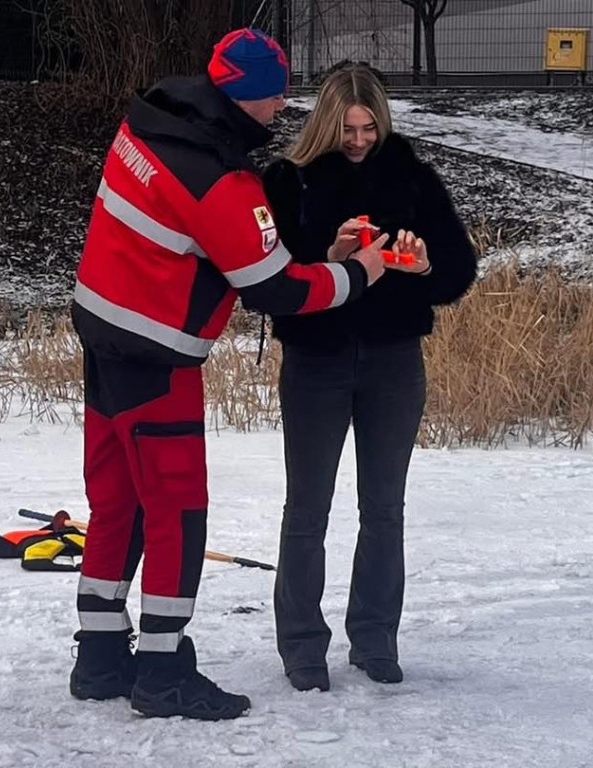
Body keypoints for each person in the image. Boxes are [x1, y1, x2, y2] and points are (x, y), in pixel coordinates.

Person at [68, 31, 389, 721]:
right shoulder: (222, 181)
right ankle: (161, 670)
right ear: (251, 97)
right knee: (177, 515)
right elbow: (276, 289)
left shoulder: (147, 122)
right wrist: (357, 274)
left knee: (116, 504)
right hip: (156, 358)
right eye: (278, 94)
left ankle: (98, 656)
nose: (283, 106)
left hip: (100, 338)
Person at [261, 63, 478, 692]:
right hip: (316, 362)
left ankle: (375, 638)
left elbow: (458, 274)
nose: (358, 140)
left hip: (393, 361)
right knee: (308, 508)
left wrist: (424, 264)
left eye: (368, 127)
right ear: (326, 123)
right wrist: (325, 259)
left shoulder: (411, 178)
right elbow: (265, 283)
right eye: (347, 128)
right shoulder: (287, 181)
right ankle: (302, 646)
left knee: (383, 508)